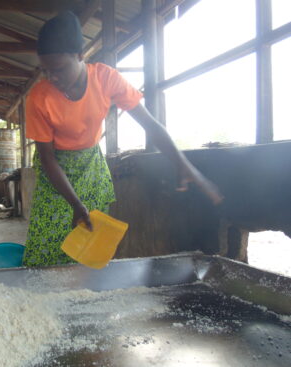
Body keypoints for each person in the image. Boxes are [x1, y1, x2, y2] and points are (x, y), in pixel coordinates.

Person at [22, 11, 223, 267]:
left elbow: (150, 123)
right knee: (47, 242)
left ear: (80, 55)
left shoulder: (106, 78)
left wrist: (183, 163)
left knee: (88, 240)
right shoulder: (39, 97)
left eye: (59, 69)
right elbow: (47, 157)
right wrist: (75, 203)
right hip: (56, 171)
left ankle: (85, 295)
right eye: (45, 70)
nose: (52, 77)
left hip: (90, 165)